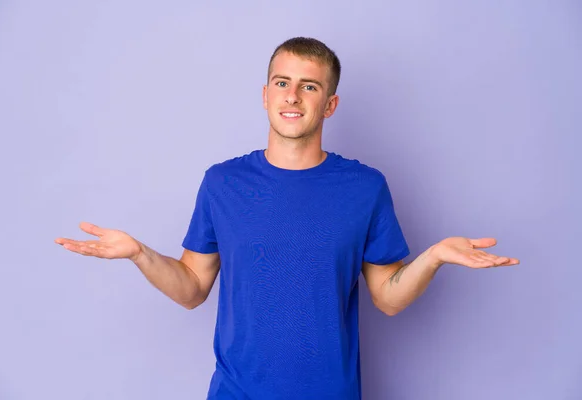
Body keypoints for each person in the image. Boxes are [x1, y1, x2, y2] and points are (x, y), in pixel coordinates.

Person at [55, 37, 519, 400]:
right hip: (236, 394)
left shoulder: (365, 187)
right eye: (282, 82)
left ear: (329, 104)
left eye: (309, 86)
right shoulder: (222, 183)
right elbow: (192, 288)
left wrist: (434, 257)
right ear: (265, 94)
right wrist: (139, 253)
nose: (292, 95)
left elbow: (389, 298)